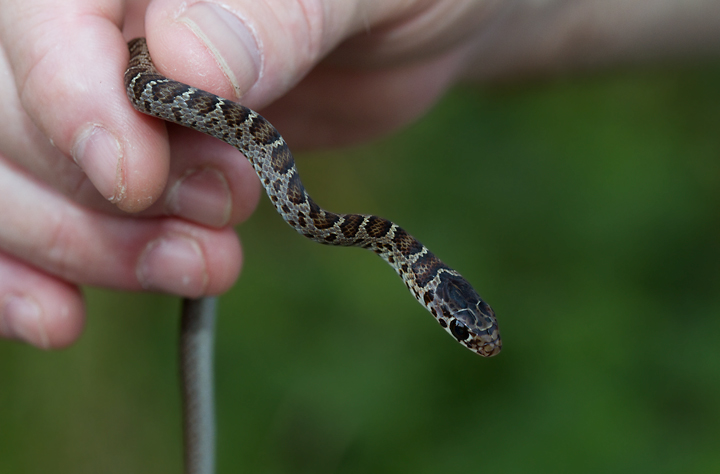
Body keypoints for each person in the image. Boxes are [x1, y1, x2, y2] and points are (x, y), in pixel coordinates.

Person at [0, 0, 718, 349]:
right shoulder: (363, 231)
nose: (476, 337)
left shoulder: (372, 236)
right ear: (432, 295)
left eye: (471, 329)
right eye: (468, 330)